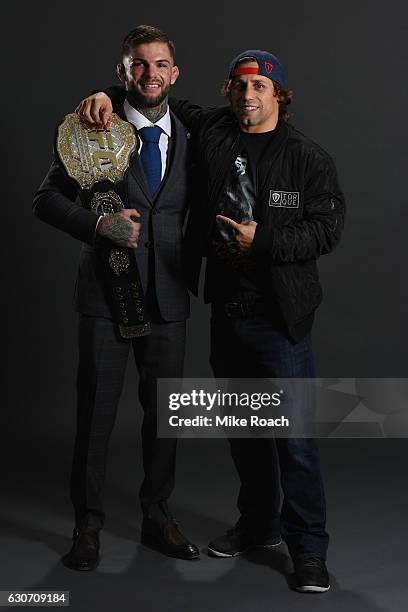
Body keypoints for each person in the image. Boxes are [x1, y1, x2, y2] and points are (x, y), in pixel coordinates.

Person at [77, 49, 345, 592]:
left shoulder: (308, 158)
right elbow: (150, 95)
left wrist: (262, 240)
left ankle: (309, 548)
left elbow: (327, 230)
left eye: (261, 88)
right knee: (246, 432)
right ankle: (259, 523)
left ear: (280, 97)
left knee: (292, 437)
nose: (249, 96)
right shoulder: (214, 128)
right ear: (229, 91)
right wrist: (103, 92)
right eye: (241, 86)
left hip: (281, 317)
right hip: (227, 312)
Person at [33, 25, 200, 572]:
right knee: (96, 418)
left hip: (170, 298)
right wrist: (98, 222)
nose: (149, 74)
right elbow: (46, 201)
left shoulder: (198, 131)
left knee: (165, 419)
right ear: (122, 72)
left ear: (174, 74)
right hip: (108, 297)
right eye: (138, 65)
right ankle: (87, 526)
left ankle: (157, 514)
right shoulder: (90, 126)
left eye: (159, 65)